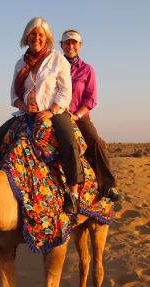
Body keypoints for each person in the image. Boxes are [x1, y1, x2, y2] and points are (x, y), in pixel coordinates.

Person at [0, 17, 83, 214]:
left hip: (54, 112)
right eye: (33, 34)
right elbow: (14, 95)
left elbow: (66, 92)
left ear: (46, 38)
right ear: (27, 36)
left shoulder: (58, 59)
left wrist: (51, 111)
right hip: (25, 114)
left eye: (40, 34)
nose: (36, 38)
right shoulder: (20, 63)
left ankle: (73, 193)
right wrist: (23, 105)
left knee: (70, 143)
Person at [59, 29, 123, 202]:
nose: (70, 46)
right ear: (61, 45)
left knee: (95, 141)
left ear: (80, 46)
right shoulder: (54, 66)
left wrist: (76, 116)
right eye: (67, 42)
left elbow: (91, 98)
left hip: (78, 116)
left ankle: (108, 185)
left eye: (74, 43)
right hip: (56, 113)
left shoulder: (87, 70)